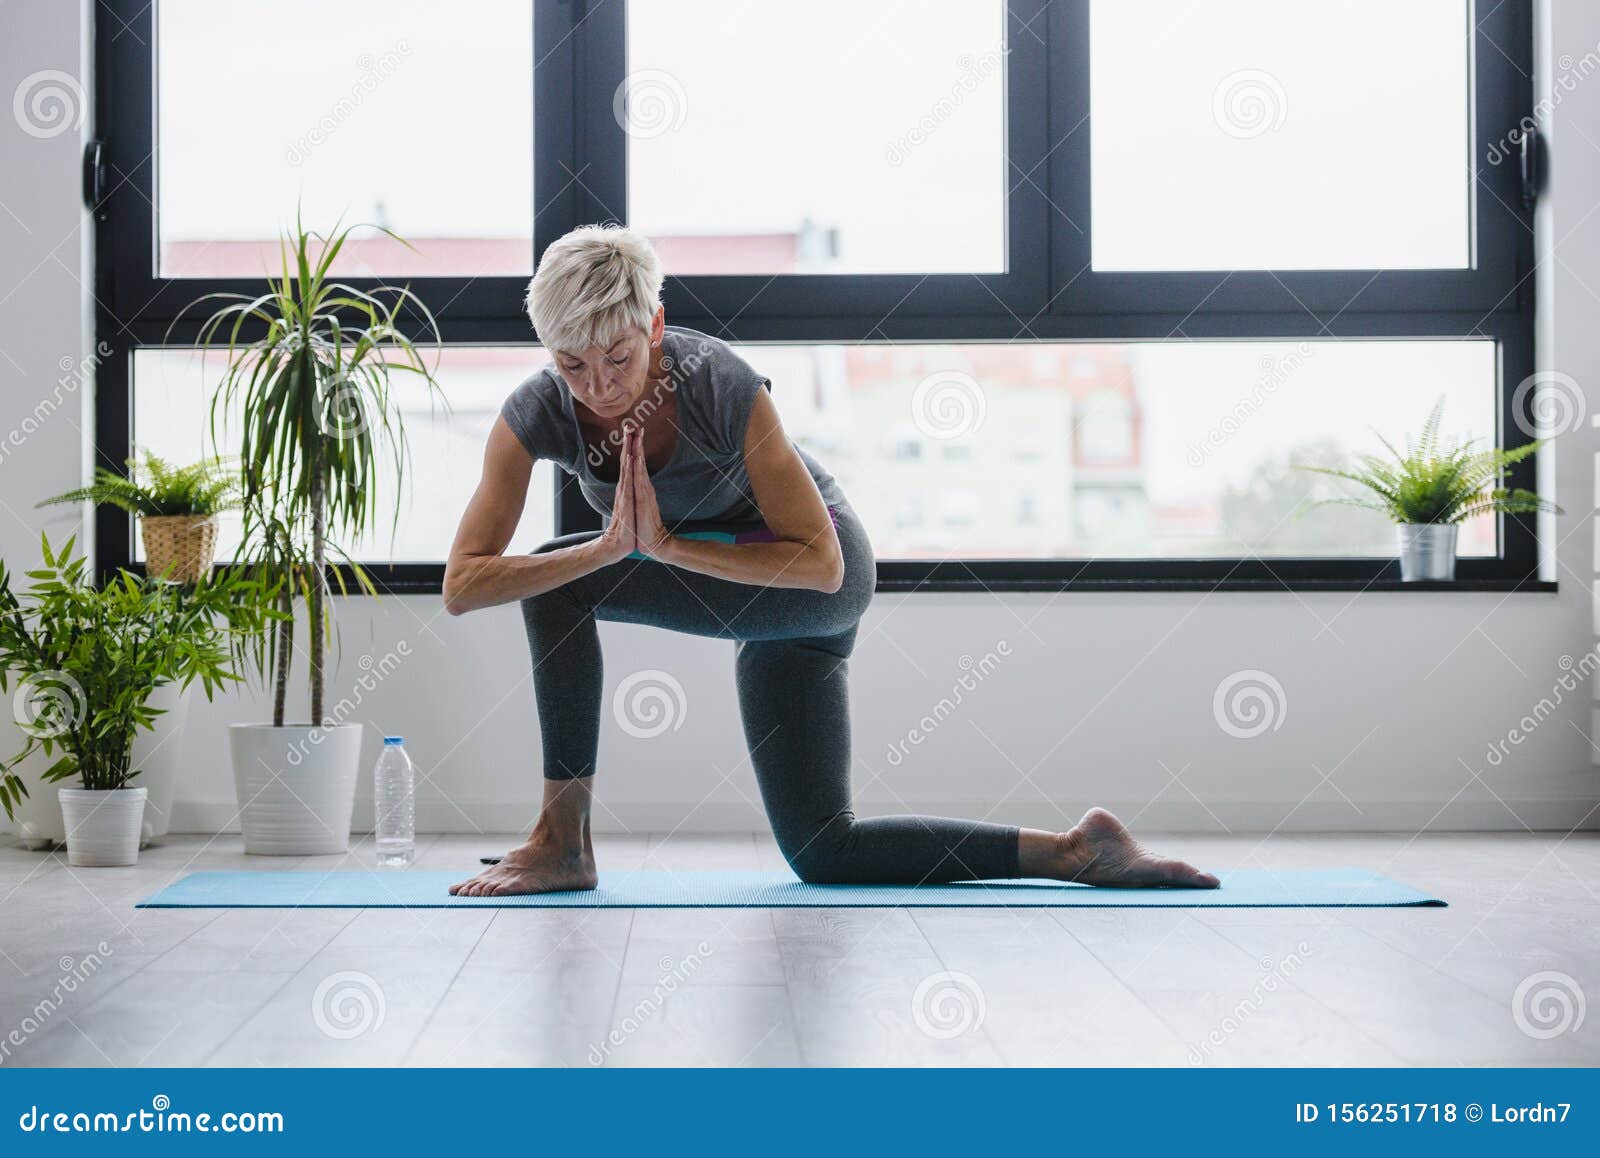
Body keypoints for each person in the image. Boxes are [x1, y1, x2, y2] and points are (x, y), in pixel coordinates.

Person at [442, 224, 1220, 897]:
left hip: (821, 571)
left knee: (558, 579)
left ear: (654, 327)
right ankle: (1077, 851)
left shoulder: (722, 386)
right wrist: (614, 549)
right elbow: (464, 584)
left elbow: (820, 567)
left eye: (617, 358)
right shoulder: (538, 411)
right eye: (573, 366)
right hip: (739, 587)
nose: (600, 388)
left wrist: (664, 547)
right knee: (824, 849)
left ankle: (562, 841)